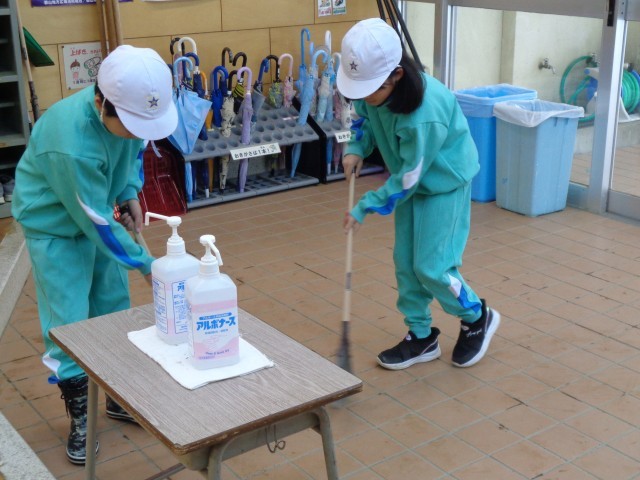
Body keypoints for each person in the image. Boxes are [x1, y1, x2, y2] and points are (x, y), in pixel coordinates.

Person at [11, 45, 178, 465]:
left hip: (100, 211)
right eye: (132, 124)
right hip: (55, 228)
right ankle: (81, 410)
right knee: (69, 319)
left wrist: (129, 192)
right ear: (101, 102)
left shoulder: (127, 114)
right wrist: (146, 264)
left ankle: (116, 396)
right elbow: (96, 222)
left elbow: (132, 151)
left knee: (112, 307)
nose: (138, 131)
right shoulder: (71, 143)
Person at [336, 18, 500, 371]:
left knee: (433, 267)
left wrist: (365, 206)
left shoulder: (423, 115)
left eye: (370, 90)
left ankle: (476, 316)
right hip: (409, 181)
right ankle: (421, 335)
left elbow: (410, 178)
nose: (364, 97)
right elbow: (363, 119)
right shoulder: (374, 94)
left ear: (396, 75)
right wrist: (356, 148)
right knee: (406, 265)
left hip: (442, 186)